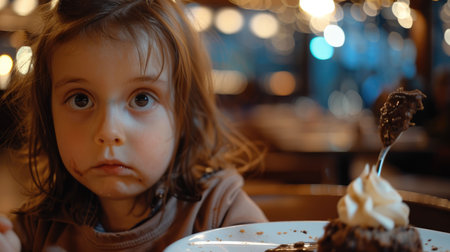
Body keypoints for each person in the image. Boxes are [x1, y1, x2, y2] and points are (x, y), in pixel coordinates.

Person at [0, 0, 267, 251]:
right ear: (49, 116)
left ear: (184, 115)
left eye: (141, 99)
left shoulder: (222, 215)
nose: (108, 132)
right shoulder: (36, 229)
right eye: (80, 100)